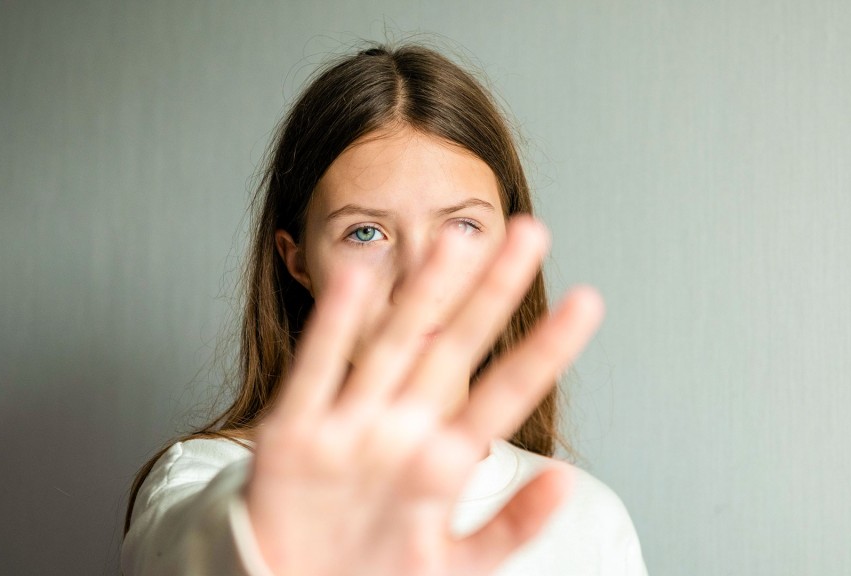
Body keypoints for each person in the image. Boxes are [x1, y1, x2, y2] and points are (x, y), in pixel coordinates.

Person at [122, 43, 647, 576]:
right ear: (297, 261)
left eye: (463, 226)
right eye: (365, 233)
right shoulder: (204, 480)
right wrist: (266, 541)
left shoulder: (588, 518)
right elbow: (193, 548)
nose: (421, 280)